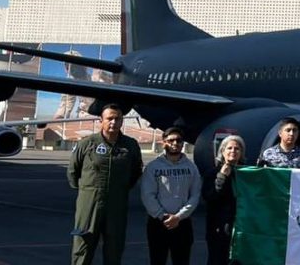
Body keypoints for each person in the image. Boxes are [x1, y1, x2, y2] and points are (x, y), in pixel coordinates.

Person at [68, 103, 144, 265]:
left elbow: (136, 171)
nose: (113, 122)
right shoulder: (87, 144)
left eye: (117, 119)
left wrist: (120, 188)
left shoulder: (130, 145)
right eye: (109, 118)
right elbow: (73, 172)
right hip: (89, 204)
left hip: (117, 204)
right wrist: (87, 191)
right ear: (101, 121)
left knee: (114, 247)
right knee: (83, 245)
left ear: (122, 121)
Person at [141, 126, 201, 265]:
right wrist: (163, 216)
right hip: (158, 223)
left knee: (182, 261)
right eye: (171, 140)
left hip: (182, 223)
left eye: (179, 140)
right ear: (164, 143)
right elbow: (147, 195)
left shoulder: (191, 167)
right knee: (157, 260)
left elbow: (195, 195)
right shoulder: (153, 167)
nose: (175, 143)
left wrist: (179, 217)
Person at [202, 135, 245, 265]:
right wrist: (221, 177)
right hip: (218, 228)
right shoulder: (212, 173)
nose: (233, 151)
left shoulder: (246, 174)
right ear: (222, 151)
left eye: (237, 148)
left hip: (240, 228)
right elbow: (209, 197)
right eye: (229, 148)